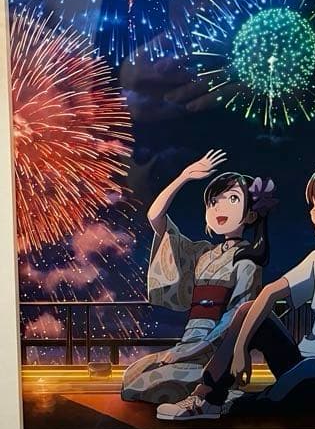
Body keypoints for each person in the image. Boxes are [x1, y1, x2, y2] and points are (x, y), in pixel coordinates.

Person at [156, 160, 315, 420]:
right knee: (248, 309)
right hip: (301, 359)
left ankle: (230, 404)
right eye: (312, 203)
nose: (314, 210)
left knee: (278, 395)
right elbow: (268, 294)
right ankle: (206, 395)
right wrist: (241, 347)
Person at [121, 149, 284, 405]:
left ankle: (219, 392)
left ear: (251, 215)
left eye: (233, 199)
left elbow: (235, 318)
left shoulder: (247, 262)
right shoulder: (202, 254)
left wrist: (190, 351)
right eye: (214, 201)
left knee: (145, 386)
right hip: (189, 343)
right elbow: (155, 217)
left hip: (216, 351)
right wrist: (184, 176)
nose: (220, 207)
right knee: (131, 376)